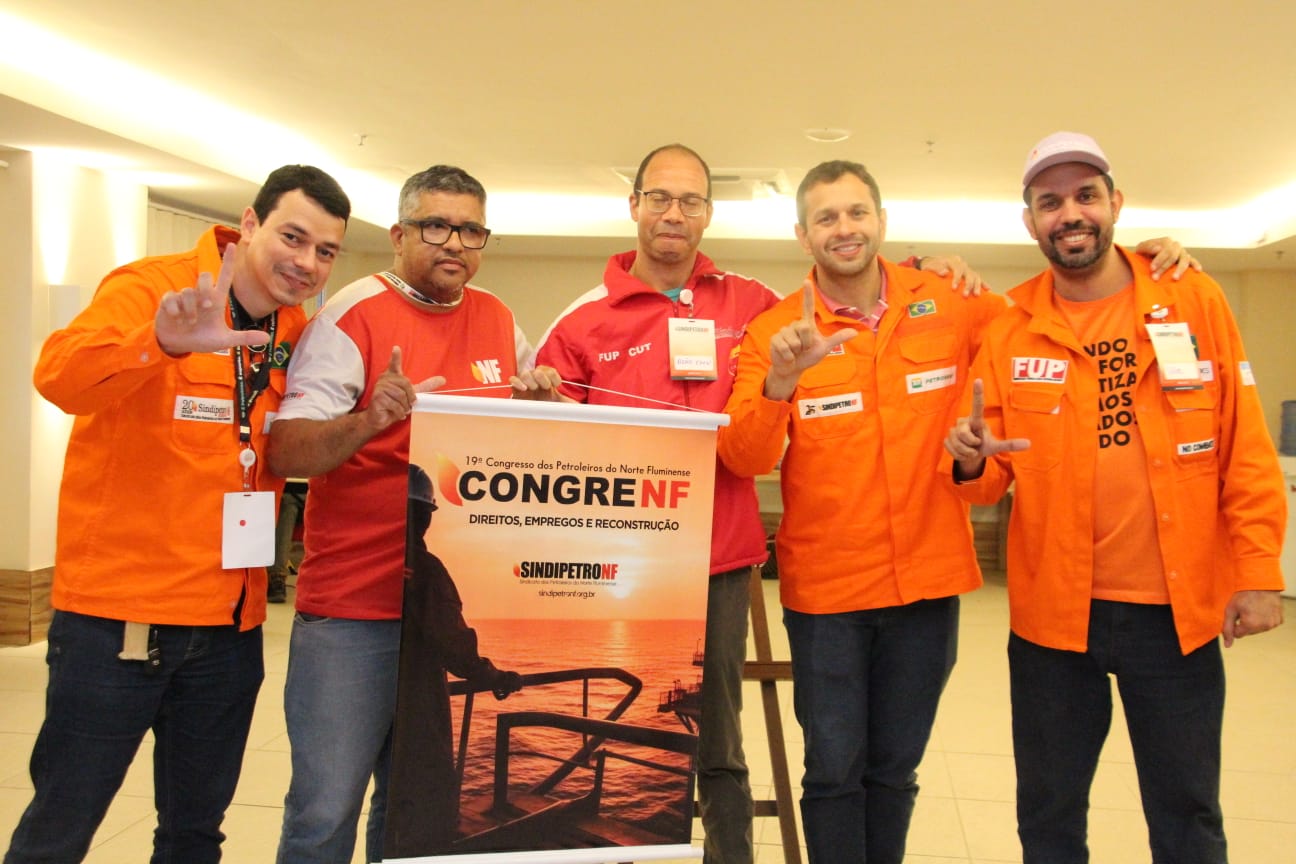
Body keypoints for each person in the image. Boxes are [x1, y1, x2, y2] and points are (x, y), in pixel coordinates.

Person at [524, 144, 985, 864]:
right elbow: (544, 439)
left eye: (690, 200)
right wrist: (539, 404)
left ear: (709, 212)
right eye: (659, 198)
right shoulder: (585, 320)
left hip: (720, 561)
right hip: (618, 568)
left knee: (721, 744)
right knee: (615, 738)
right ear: (634, 204)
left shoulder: (754, 305)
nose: (674, 213)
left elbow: (858, 289)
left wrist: (929, 266)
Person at [943, 131, 1287, 864]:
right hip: (1053, 617)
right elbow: (991, 476)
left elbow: (1244, 444)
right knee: (1049, 813)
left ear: (1115, 203)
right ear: (1031, 222)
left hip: (1175, 612)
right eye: (1050, 202)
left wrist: (1258, 572)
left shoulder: (1191, 298)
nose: (1070, 214)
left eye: (1085, 196)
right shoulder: (1010, 327)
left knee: (1187, 811)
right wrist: (970, 461)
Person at [9, 165, 350, 864]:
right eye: (292, 237)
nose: (306, 262)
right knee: (60, 829)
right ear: (249, 224)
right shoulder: (153, 288)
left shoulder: (298, 331)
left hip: (229, 631)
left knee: (195, 835)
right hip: (119, 625)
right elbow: (58, 376)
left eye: (326, 251)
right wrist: (159, 343)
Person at [267, 164, 558, 864]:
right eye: (436, 226)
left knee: (413, 819)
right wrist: (371, 418)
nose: (454, 242)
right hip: (353, 613)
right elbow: (286, 449)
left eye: (470, 230)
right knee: (323, 813)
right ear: (399, 234)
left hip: (434, 616)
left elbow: (521, 454)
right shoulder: (352, 315)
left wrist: (542, 407)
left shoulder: (498, 318)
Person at [383, 465, 522, 859]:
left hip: (365, 695)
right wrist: (494, 676)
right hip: (416, 705)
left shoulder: (371, 561)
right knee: (426, 801)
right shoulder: (427, 570)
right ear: (425, 516)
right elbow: (453, 644)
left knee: (383, 803)